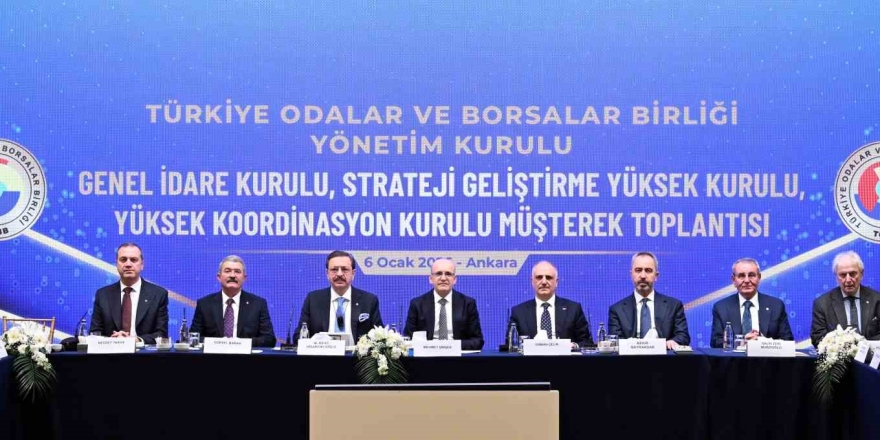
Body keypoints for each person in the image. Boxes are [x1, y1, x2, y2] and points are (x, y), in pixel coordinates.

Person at [89, 243, 169, 344]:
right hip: (111, 351)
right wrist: (113, 340)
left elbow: (161, 334)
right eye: (123, 260)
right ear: (116, 264)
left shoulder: (158, 294)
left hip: (143, 352)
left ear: (142, 264)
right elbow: (95, 333)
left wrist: (136, 340)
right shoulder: (102, 295)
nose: (128, 264)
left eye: (133, 260)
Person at [190, 255, 276, 347]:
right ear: (219, 277)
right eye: (227, 271)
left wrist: (240, 344)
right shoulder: (204, 304)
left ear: (244, 278)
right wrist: (219, 343)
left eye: (237, 271)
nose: (232, 275)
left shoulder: (258, 304)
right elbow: (193, 337)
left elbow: (269, 339)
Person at [608, 252, 690, 349]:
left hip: (664, 357)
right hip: (630, 358)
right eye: (638, 270)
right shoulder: (617, 310)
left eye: (648, 270)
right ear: (631, 274)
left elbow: (683, 336)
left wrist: (672, 342)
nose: (643, 276)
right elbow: (615, 341)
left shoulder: (674, 306)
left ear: (656, 276)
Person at [298, 251, 383, 343]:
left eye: (344, 269)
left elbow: (379, 338)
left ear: (353, 273)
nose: (339, 274)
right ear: (327, 273)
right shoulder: (313, 299)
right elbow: (299, 336)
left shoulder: (369, 300)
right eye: (334, 269)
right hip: (322, 351)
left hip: (355, 352)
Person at [710, 258, 793, 348]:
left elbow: (787, 341)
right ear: (733, 280)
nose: (746, 280)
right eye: (741, 276)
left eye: (751, 275)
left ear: (759, 278)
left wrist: (763, 342)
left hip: (766, 356)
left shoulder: (776, 306)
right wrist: (741, 343)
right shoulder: (721, 307)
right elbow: (715, 342)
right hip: (735, 357)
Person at [404, 259, 484, 350]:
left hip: (458, 355)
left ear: (454, 279)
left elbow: (477, 341)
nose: (443, 278)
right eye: (438, 274)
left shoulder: (468, 304)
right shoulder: (417, 304)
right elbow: (408, 339)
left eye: (448, 274)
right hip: (427, 355)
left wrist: (450, 346)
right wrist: (433, 346)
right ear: (431, 279)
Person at [509, 261, 592, 349]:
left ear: (556, 282)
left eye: (549, 277)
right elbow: (510, 345)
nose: (544, 282)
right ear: (532, 281)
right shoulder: (519, 312)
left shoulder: (573, 309)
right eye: (539, 277)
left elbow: (586, 342)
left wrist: (574, 346)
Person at [811, 250, 880, 347]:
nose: (848, 280)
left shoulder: (877, 299)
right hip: (839, 356)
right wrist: (842, 348)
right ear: (836, 276)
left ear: (861, 274)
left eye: (853, 274)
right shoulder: (822, 304)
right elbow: (818, 338)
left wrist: (863, 346)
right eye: (843, 275)